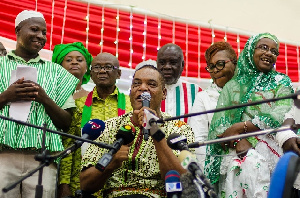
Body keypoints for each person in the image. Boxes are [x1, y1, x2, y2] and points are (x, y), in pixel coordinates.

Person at [204, 32, 300, 197]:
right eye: (263, 47)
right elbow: (220, 125)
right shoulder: (233, 86)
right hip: (235, 155)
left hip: (271, 154)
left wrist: (242, 128)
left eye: (274, 51)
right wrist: (237, 141)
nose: (269, 53)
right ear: (250, 51)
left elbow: (280, 113)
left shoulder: (281, 82)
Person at [80, 64, 195, 197]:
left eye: (151, 84)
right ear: (130, 92)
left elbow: (184, 181)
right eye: (136, 84)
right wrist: (112, 162)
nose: (143, 88)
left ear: (164, 93)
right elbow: (85, 184)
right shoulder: (109, 127)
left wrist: (155, 131)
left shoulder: (179, 129)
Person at [0, 10, 78, 198]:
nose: (40, 36)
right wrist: (6, 96)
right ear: (18, 30)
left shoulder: (57, 72)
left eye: (44, 32)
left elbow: (66, 123)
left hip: (43, 160)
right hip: (3, 157)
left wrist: (44, 98)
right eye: (34, 29)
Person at [58, 52, 132, 198]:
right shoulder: (78, 105)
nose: (102, 71)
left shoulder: (131, 105)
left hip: (120, 185)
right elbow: (69, 145)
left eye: (108, 67)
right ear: (91, 74)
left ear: (118, 73)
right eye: (97, 67)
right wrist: (64, 185)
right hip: (81, 184)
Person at [188, 42, 237, 167]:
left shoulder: (249, 92)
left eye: (220, 64)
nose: (215, 70)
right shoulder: (204, 98)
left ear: (235, 63)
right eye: (211, 66)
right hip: (216, 166)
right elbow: (198, 139)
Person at [157, 43, 201, 123]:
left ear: (182, 65)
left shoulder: (196, 91)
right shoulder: (149, 91)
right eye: (162, 63)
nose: (167, 67)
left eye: (173, 63)